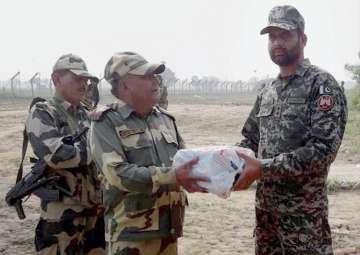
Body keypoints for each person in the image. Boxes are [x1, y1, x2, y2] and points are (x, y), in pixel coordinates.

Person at [233, 5, 347, 254]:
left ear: (303, 39)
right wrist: (228, 161)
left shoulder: (321, 84)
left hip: (303, 219)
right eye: (272, 37)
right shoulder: (267, 90)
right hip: (266, 216)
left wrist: (263, 168)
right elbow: (250, 139)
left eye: (285, 35)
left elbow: (323, 151)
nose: (277, 43)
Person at [90, 51, 207, 255]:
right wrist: (174, 175)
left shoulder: (165, 120)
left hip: (168, 231)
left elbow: (187, 162)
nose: (156, 81)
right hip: (131, 236)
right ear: (125, 85)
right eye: (146, 77)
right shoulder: (106, 122)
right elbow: (117, 174)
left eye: (155, 76)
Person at [26, 54, 105, 255]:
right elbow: (59, 155)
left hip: (94, 209)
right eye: (77, 79)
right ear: (56, 79)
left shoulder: (86, 113)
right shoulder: (43, 112)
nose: (84, 85)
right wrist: (99, 145)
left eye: (86, 80)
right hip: (62, 214)